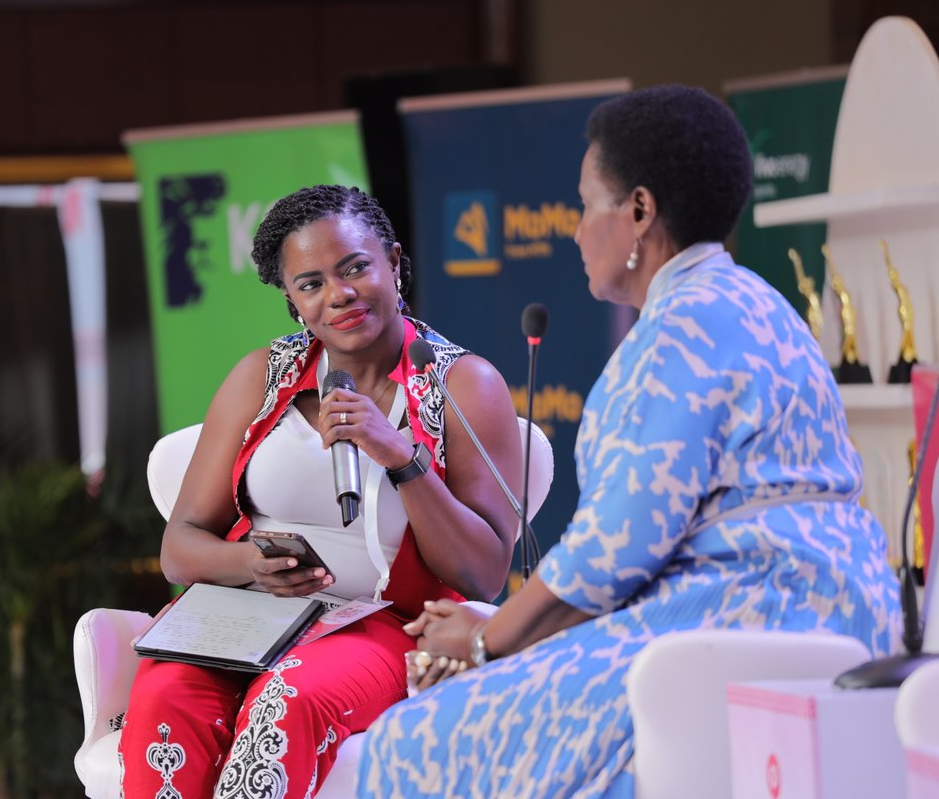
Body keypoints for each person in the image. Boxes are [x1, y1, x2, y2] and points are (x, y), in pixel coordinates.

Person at [356, 84, 901, 798]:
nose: (577, 231)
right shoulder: (761, 303)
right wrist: (511, 623)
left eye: (588, 206)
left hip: (735, 626)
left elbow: (615, 551)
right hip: (845, 615)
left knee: (415, 737)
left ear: (639, 211)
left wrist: (487, 639)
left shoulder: (677, 332)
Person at [116, 184, 523, 798]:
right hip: (245, 613)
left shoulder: (464, 386)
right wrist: (250, 562)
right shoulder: (261, 376)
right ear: (292, 301)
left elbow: (485, 574)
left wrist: (401, 457)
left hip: (381, 626)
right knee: (165, 700)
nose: (339, 295)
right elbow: (180, 546)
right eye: (311, 284)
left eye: (356, 266)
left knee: (287, 703)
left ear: (392, 260)